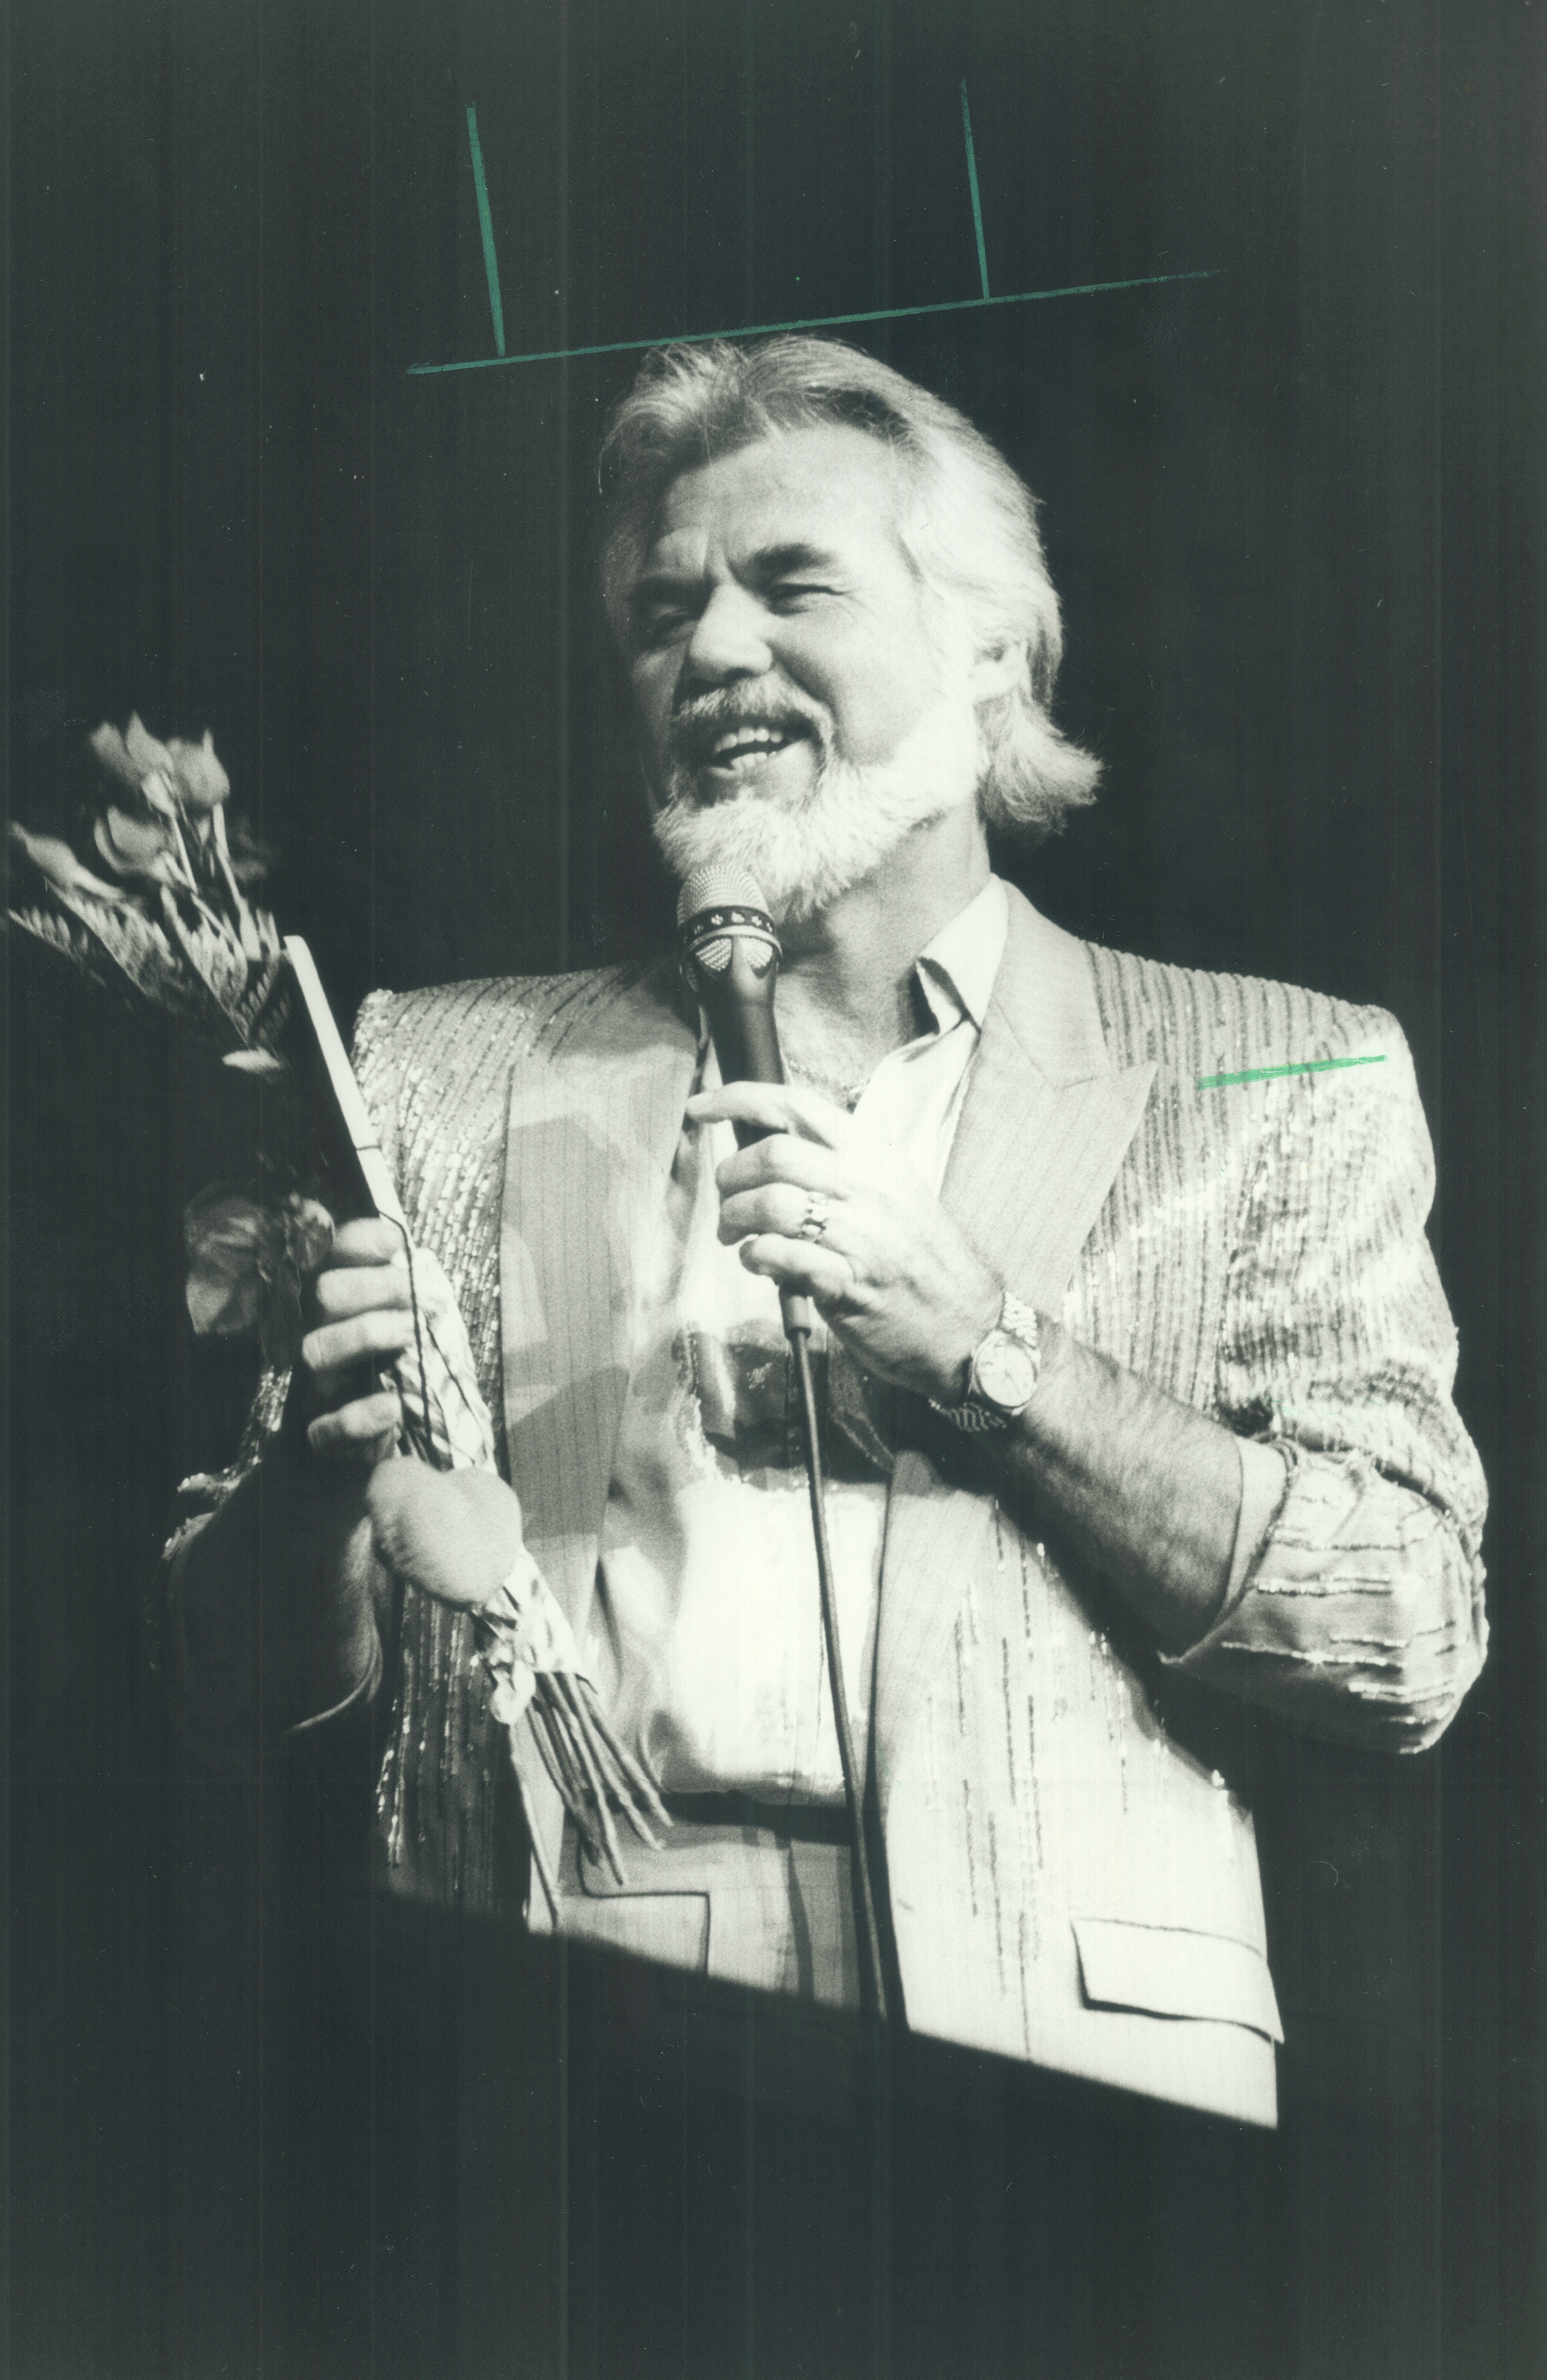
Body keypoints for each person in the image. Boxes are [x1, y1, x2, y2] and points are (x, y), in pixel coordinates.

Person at [165, 336, 1487, 2127]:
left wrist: (989, 1352)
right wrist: (317, 1496)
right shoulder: (427, 1071)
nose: (712, 652)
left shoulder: (1279, 1072)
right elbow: (241, 1693)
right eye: (661, 614)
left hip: (1076, 2034)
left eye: (793, 587)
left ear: (990, 647)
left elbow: (1402, 1638)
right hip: (575, 1993)